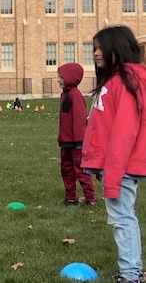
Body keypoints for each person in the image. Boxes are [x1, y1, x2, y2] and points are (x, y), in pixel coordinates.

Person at [81, 25, 146, 283]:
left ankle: (131, 274)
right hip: (113, 166)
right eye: (94, 48)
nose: (96, 53)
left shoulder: (127, 82)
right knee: (122, 217)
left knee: (122, 219)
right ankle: (133, 271)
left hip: (121, 167)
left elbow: (124, 133)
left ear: (116, 49)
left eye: (100, 48)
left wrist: (113, 175)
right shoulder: (115, 80)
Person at [57, 62, 96, 207]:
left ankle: (90, 199)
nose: (58, 80)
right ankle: (71, 198)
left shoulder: (75, 95)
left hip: (76, 143)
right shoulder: (64, 95)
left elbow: (79, 120)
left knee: (81, 170)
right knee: (66, 170)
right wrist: (61, 138)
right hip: (66, 142)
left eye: (61, 77)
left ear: (70, 78)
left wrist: (80, 142)